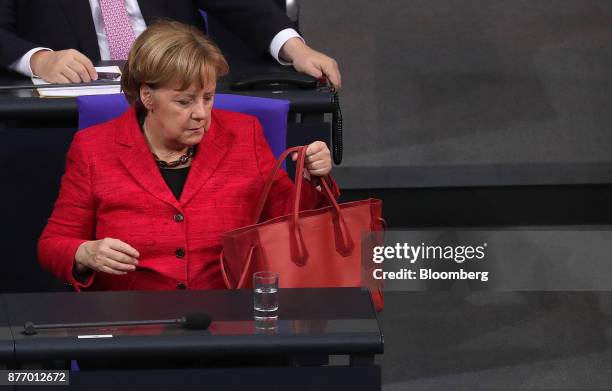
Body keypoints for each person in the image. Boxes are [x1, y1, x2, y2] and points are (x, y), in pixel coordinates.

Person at [38, 20, 338, 292]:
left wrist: (310, 179)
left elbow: (291, 221)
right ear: (147, 96)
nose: (201, 114)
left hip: (229, 318)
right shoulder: (94, 148)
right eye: (184, 101)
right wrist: (85, 252)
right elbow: (53, 245)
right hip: (132, 325)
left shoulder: (245, 134)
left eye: (208, 98)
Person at [0, 0, 341, 89]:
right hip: (75, 107)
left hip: (175, 93)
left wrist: (296, 48)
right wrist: (39, 60)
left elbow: (240, 5)